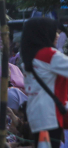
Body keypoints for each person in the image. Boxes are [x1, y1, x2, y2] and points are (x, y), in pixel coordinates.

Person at [21, 17, 68, 148]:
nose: (58, 36)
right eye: (54, 32)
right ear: (43, 33)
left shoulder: (29, 57)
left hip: (36, 115)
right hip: (50, 116)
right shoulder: (48, 55)